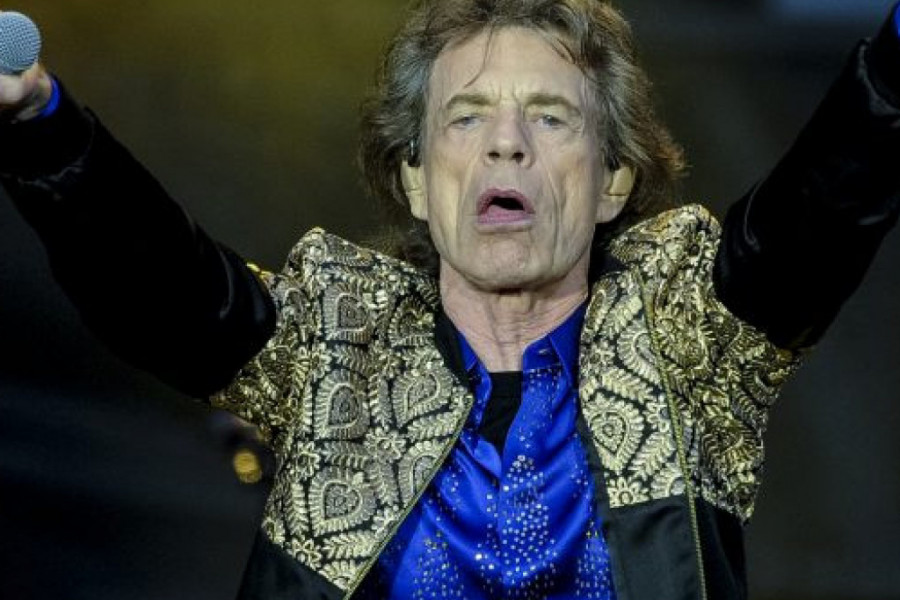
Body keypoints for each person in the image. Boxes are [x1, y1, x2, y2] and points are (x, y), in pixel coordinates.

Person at [1, 0, 899, 598]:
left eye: (550, 116)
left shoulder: (684, 332)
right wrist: (42, 123)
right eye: (467, 116)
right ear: (418, 181)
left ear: (614, 182)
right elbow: (163, 287)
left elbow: (820, 210)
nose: (507, 143)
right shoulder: (336, 339)